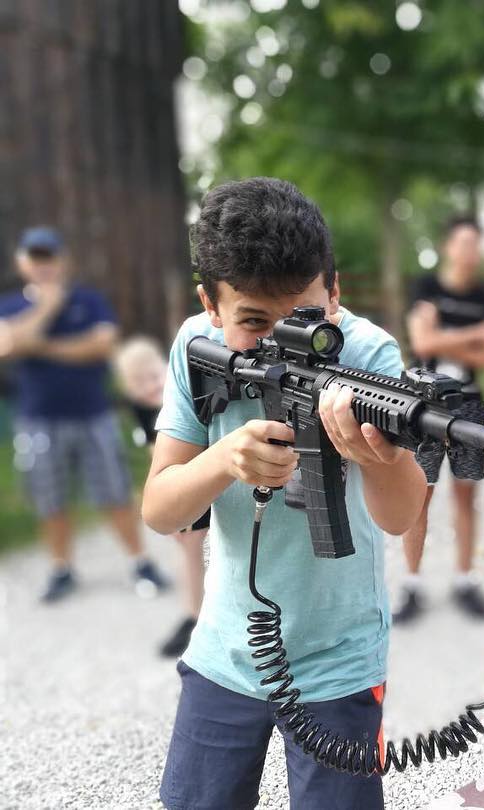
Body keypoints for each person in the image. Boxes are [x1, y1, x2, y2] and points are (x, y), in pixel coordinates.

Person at [144, 178, 427, 810]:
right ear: (209, 307)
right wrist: (224, 458)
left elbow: (402, 514)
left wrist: (376, 458)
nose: (280, 341)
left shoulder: (368, 353)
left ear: (335, 291)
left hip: (339, 656)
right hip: (226, 650)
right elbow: (161, 508)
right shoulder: (197, 347)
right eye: (254, 321)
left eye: (304, 317)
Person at [0, 226, 169, 603]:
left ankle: (140, 562)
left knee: (113, 491)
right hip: (39, 419)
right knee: (50, 498)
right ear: (23, 263)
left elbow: (101, 344)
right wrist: (48, 307)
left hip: (94, 415)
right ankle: (61, 568)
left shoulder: (90, 300)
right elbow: (6, 345)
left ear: (63, 260)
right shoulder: (9, 305)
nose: (44, 265)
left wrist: (37, 343)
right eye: (36, 258)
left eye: (50, 257)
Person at [393, 215, 484, 624]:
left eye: (477, 244)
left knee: (466, 494)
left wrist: (446, 336)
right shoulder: (427, 288)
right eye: (465, 243)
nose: (472, 252)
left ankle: (464, 579)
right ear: (448, 247)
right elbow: (422, 342)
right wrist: (473, 336)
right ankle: (412, 584)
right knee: (420, 493)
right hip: (425, 406)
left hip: (471, 403)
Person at [114, 336, 209, 657]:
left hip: (210, 470)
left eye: (155, 376)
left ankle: (205, 614)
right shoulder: (141, 412)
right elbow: (159, 459)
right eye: (139, 383)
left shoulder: (187, 390)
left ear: (167, 368)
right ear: (128, 390)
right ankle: (194, 614)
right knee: (188, 545)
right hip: (182, 482)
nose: (151, 386)